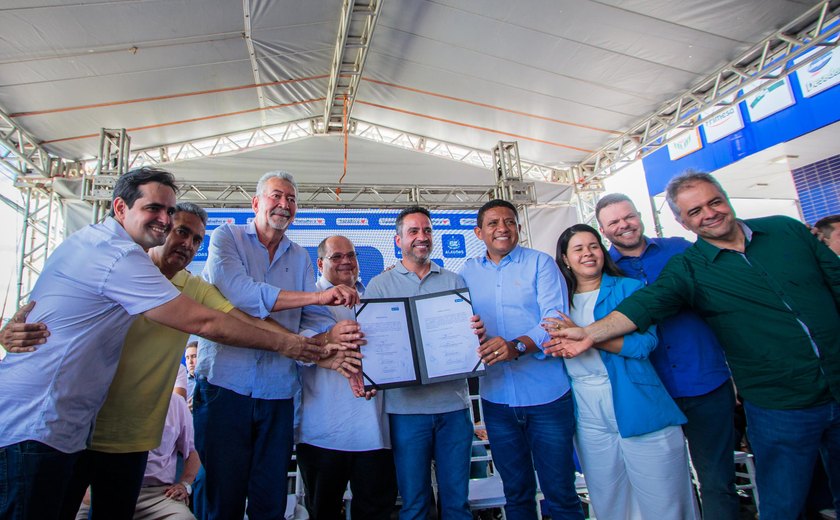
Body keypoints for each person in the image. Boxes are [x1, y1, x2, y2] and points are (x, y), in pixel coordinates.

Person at [0, 167, 333, 520]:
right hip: (46, 426)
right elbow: (209, 322)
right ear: (120, 208)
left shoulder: (154, 269)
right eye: (160, 214)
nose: (179, 237)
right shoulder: (122, 259)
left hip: (109, 433)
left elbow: (236, 315)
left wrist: (305, 345)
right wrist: (294, 344)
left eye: (172, 216)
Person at [547, 171, 840, 520]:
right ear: (682, 219)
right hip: (669, 394)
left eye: (714, 202)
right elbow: (648, 306)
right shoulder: (687, 266)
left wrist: (589, 335)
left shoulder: (699, 250)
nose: (708, 213)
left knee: (718, 482)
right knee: (777, 499)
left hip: (706, 384)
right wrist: (588, 333)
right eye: (695, 210)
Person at [195, 170, 363, 520]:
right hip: (225, 388)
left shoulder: (299, 256)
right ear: (256, 203)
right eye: (276, 196)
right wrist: (318, 297)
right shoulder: (226, 237)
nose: (284, 204)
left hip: (278, 394)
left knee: (270, 499)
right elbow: (242, 296)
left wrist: (330, 340)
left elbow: (311, 317)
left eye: (291, 199)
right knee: (220, 498)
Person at [595, 193, 739, 519]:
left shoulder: (681, 250)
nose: (624, 225)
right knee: (665, 489)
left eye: (628, 216)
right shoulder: (606, 271)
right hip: (650, 392)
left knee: (717, 481)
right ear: (603, 231)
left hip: (705, 382)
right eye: (614, 222)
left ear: (639, 215)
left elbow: (722, 305)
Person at [548, 224, 697, 519]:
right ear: (565, 258)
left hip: (635, 399)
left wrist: (587, 336)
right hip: (585, 409)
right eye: (578, 249)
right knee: (608, 498)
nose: (588, 254)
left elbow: (644, 344)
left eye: (593, 246)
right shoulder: (556, 300)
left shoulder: (629, 288)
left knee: (663, 499)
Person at [459, 199, 583, 519]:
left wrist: (517, 346)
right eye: (493, 223)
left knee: (561, 493)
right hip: (497, 401)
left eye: (510, 222)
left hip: (548, 397)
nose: (503, 228)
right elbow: (454, 322)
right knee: (515, 495)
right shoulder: (466, 273)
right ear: (478, 232)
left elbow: (555, 319)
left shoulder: (540, 264)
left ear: (518, 227)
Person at [361, 206, 481, 520]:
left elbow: (468, 338)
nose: (422, 237)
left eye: (426, 230)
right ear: (398, 239)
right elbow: (371, 345)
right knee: (414, 504)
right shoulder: (379, 286)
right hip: (405, 412)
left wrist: (475, 335)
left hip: (454, 407)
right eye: (413, 231)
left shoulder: (454, 280)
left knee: (457, 504)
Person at [297, 235, 397, 520]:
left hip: (376, 433)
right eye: (336, 256)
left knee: (376, 511)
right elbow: (295, 350)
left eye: (350, 255)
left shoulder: (378, 297)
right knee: (324, 512)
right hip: (322, 434)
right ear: (320, 263)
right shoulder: (307, 300)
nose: (345, 262)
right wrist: (328, 344)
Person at [76, 382, 200, 520]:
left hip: (158, 494)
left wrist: (184, 484)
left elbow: (193, 450)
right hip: (104, 487)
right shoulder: (104, 398)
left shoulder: (176, 403)